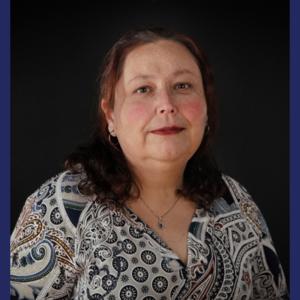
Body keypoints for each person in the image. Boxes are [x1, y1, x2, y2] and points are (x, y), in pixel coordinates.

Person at [10, 27, 289, 300]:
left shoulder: (235, 201)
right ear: (111, 116)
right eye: (143, 89)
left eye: (183, 86)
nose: (166, 104)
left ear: (206, 107)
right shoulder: (62, 206)